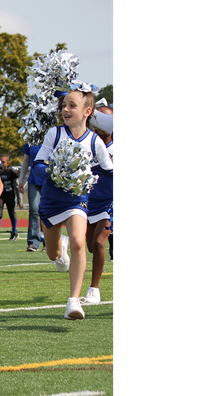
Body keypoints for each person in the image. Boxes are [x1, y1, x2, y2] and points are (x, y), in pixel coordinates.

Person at [33, 84, 114, 320]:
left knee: (80, 241)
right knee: (53, 253)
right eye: (64, 105)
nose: (65, 109)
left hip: (77, 201)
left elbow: (109, 171)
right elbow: (39, 164)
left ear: (87, 111)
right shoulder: (54, 134)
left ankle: (73, 302)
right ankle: (60, 252)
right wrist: (55, 170)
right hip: (51, 202)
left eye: (72, 105)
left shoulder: (95, 141)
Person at [84, 105, 114, 303]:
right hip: (89, 201)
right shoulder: (89, 144)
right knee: (90, 247)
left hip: (110, 202)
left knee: (98, 242)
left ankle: (94, 289)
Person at [19, 142, 45, 252]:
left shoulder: (53, 137)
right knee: (34, 210)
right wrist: (21, 180)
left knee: (47, 212)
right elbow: (26, 161)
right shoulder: (30, 140)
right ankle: (33, 242)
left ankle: (48, 242)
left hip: (49, 181)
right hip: (34, 181)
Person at [0, 154, 22, 242]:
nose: (1, 164)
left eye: (3, 162)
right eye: (0, 161)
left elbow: (16, 186)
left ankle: (14, 231)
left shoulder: (11, 172)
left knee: (11, 212)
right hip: (0, 195)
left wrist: (19, 200)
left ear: (8, 163)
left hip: (9, 194)